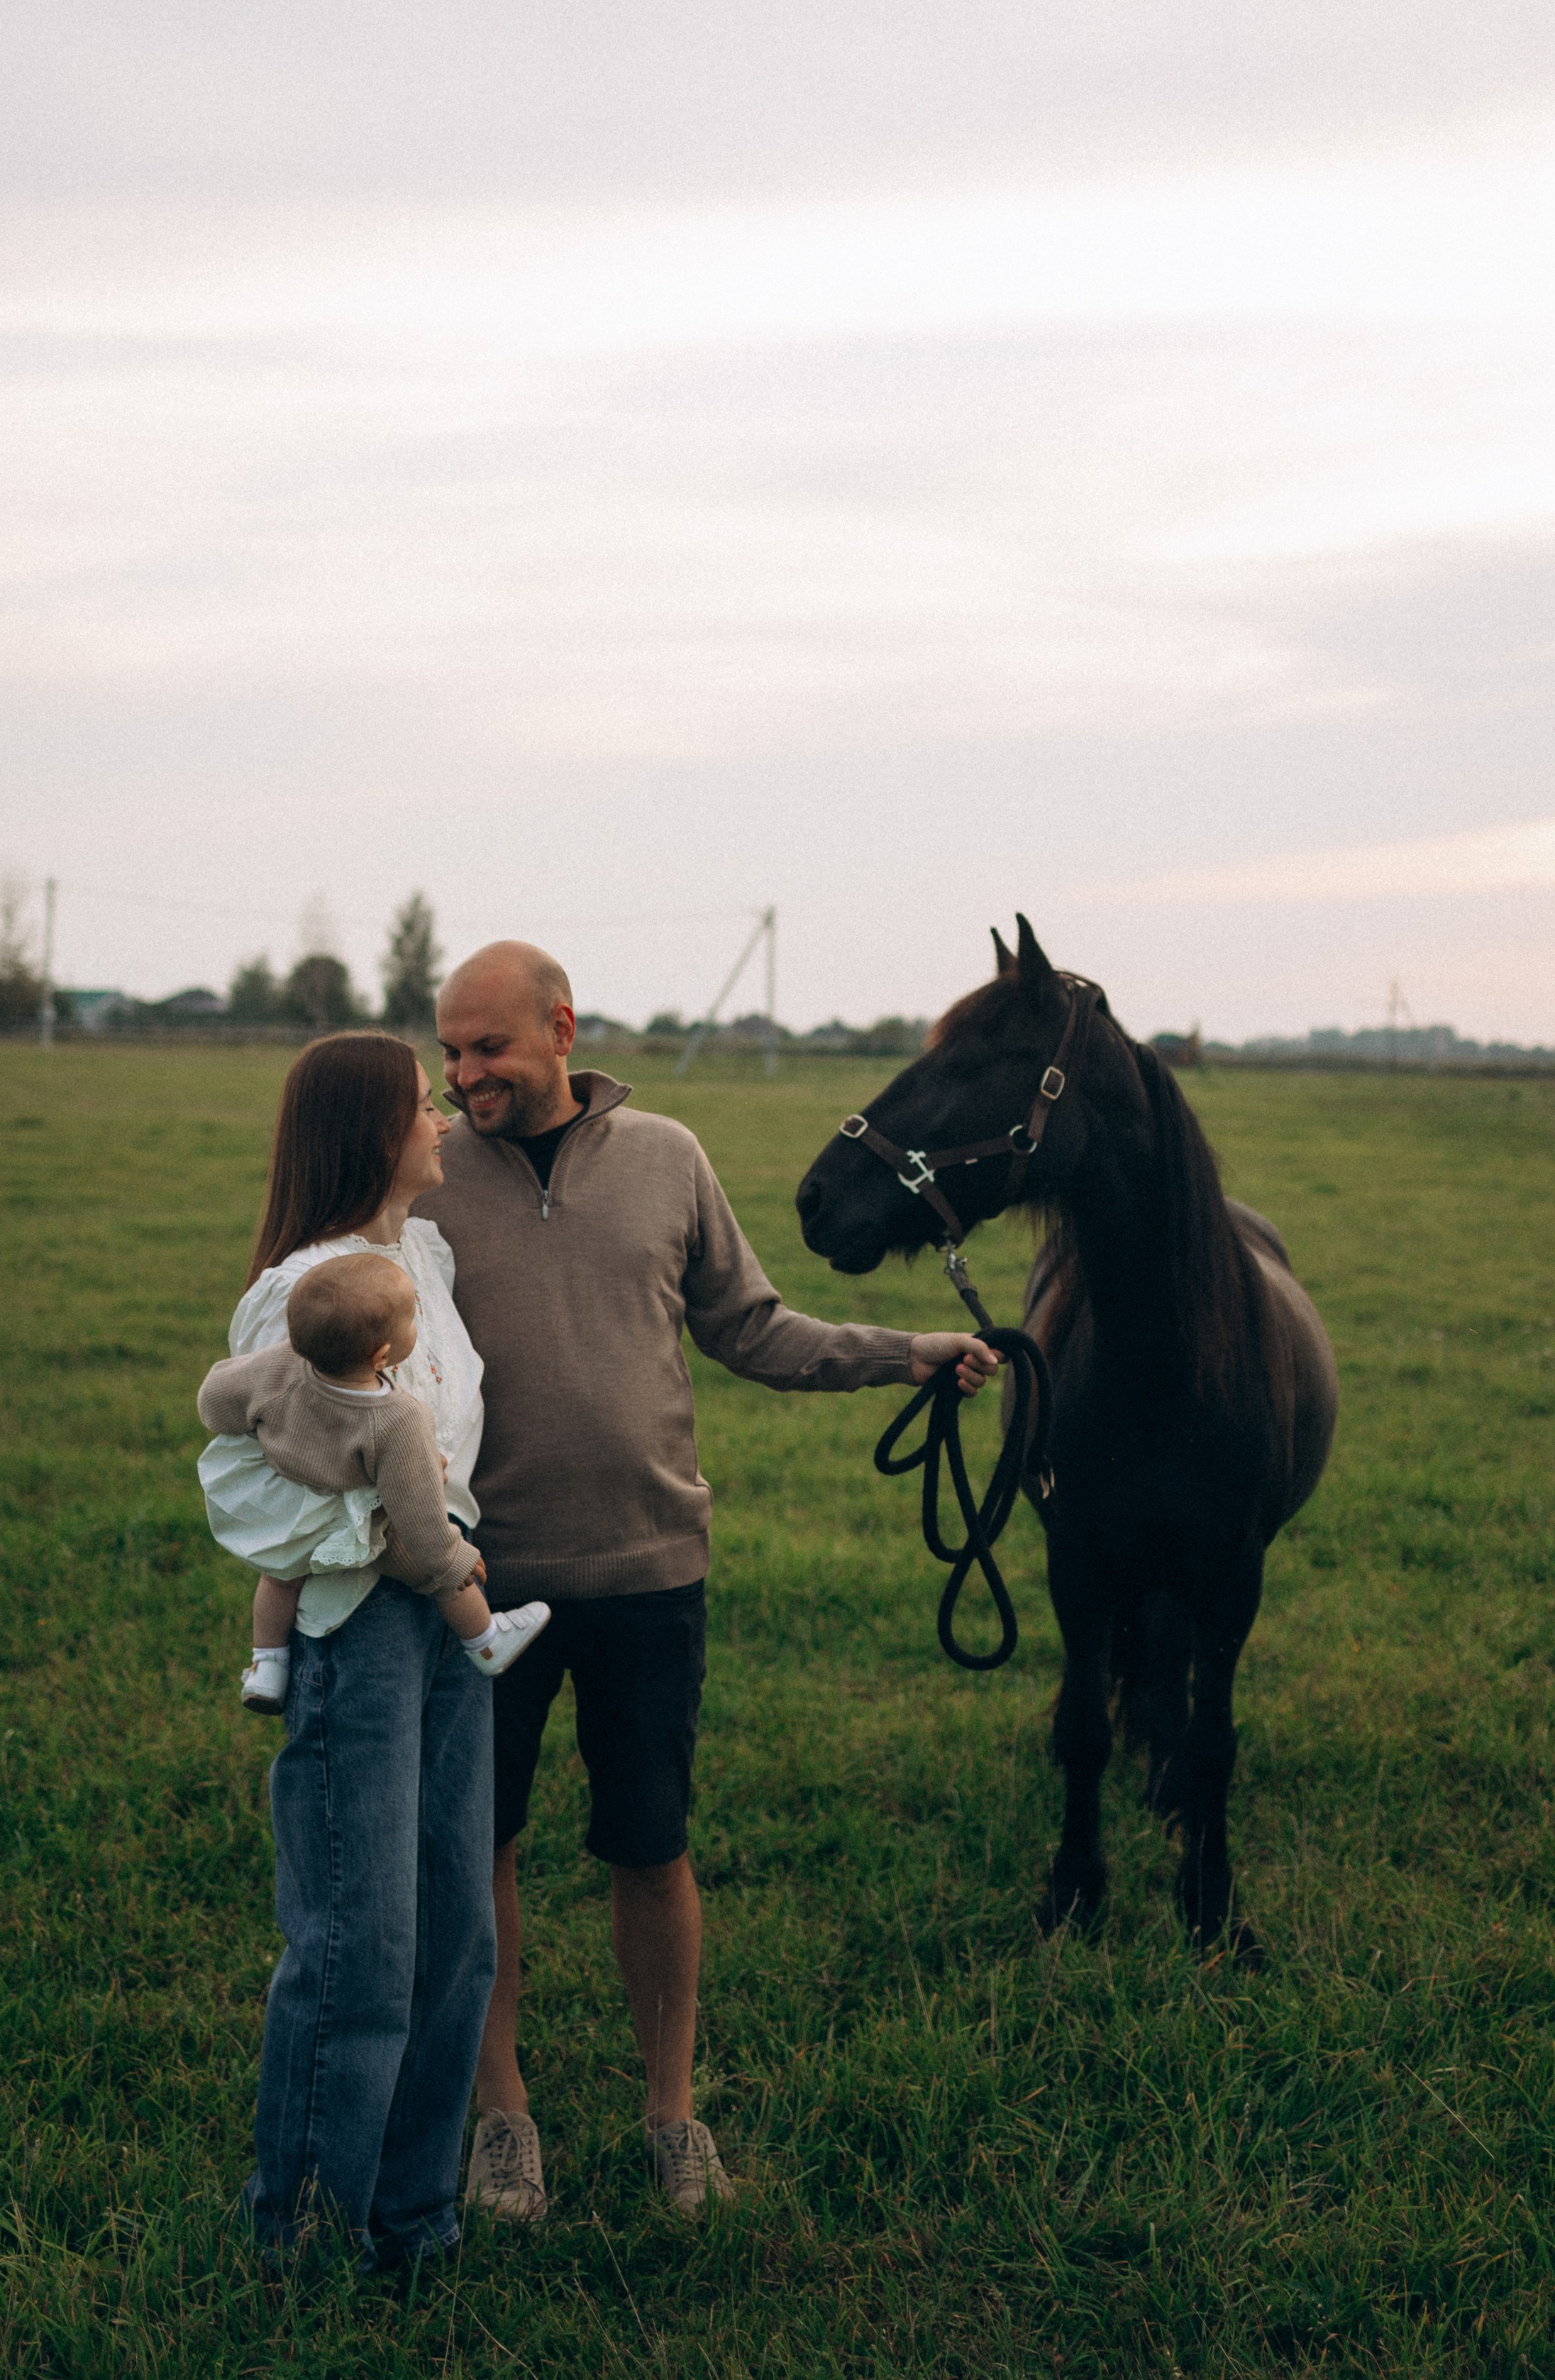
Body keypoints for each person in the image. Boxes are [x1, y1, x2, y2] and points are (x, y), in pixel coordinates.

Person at [419, 940, 998, 2222]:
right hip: (475, 1579)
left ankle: (673, 2116)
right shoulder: (425, 1175)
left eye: (489, 1048)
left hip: (648, 1568)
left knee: (653, 1846)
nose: (465, 1075)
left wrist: (906, 1352)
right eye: (450, 1051)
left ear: (562, 1030)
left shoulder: (669, 1158)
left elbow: (751, 1325)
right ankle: (500, 2117)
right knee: (480, 1849)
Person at [195, 1031, 502, 2271]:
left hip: (449, 1617)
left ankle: (412, 2220)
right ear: (376, 1132)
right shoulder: (301, 1292)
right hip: (361, 1627)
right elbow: (253, 1492)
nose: (443, 1121)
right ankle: (309, 2242)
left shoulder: (420, 1253)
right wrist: (395, 1537)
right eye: (425, 1104)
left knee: (453, 1935)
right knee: (358, 1944)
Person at [197, 1250, 552, 1712]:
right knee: (438, 1580)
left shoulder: (281, 1366)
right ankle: (485, 1641)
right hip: (365, 1526)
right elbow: (417, 1509)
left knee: (280, 1578)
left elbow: (216, 1399)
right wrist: (452, 1558)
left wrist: (241, 1423)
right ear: (383, 1354)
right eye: (411, 1320)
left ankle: (267, 1665)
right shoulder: (397, 1419)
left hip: (300, 1510)